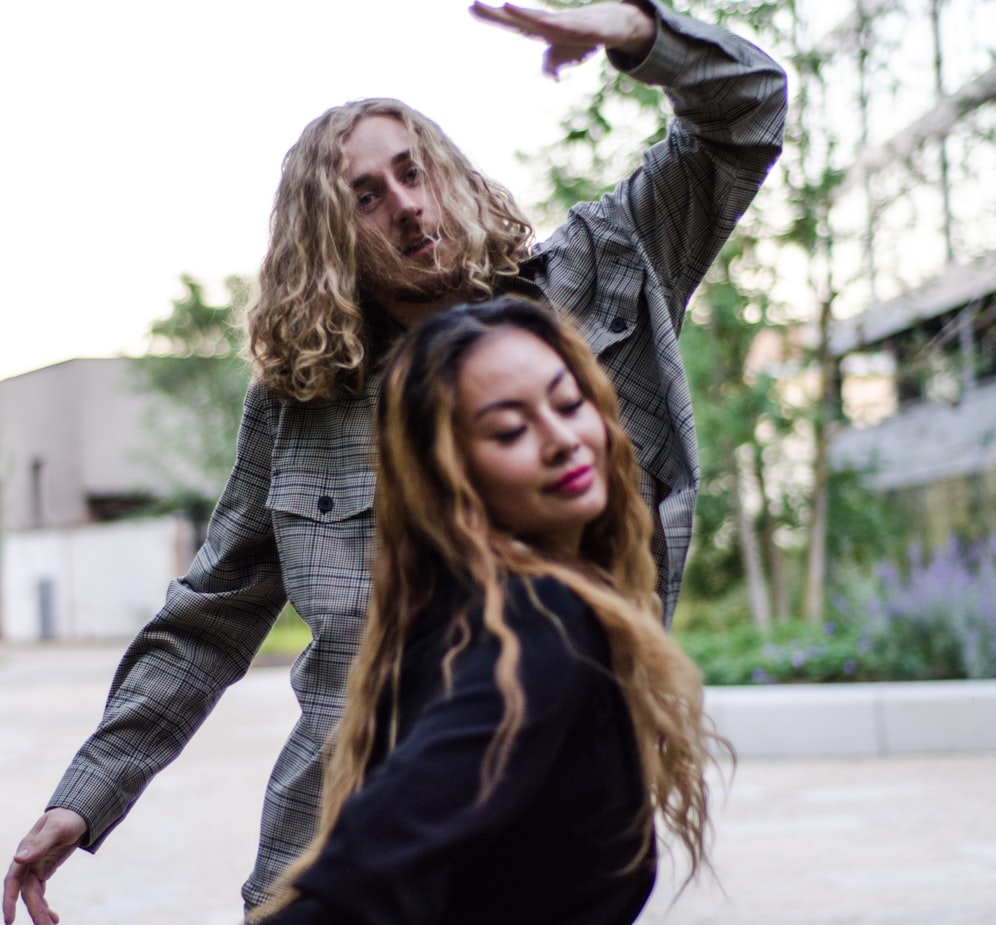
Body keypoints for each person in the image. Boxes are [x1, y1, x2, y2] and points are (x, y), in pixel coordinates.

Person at [4, 2, 786, 922]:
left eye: (412, 172)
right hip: (342, 842)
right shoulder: (301, 402)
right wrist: (87, 793)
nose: (407, 205)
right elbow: (213, 611)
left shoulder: (600, 273)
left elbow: (747, 113)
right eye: (365, 196)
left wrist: (637, 32)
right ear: (328, 237)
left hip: (553, 838)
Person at [250, 296, 721, 925]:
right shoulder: (537, 623)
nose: (561, 441)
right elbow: (360, 880)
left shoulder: (463, 619)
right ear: (451, 478)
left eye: (568, 402)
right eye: (508, 430)